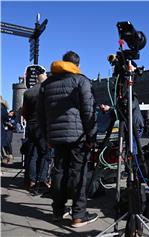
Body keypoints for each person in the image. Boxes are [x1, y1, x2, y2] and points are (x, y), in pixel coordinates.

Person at [38, 51, 98, 227]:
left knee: (59, 172)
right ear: (77, 65)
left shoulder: (47, 84)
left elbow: (41, 115)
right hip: (77, 136)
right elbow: (88, 112)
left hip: (56, 137)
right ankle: (78, 215)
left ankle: (57, 211)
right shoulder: (81, 80)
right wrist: (91, 136)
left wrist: (47, 136)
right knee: (78, 173)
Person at [22, 65, 51, 190]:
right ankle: (42, 179)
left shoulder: (28, 92)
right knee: (45, 154)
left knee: (33, 154)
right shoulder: (48, 91)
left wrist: (30, 121)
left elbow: (24, 112)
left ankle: (32, 180)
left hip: (31, 126)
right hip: (43, 126)